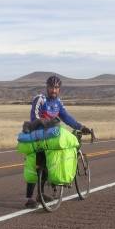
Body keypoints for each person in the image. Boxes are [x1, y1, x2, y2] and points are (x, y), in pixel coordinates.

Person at [25, 75, 91, 208]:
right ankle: (30, 198)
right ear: (47, 87)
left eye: (56, 88)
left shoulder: (58, 103)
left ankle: (41, 193)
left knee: (50, 164)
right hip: (37, 135)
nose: (53, 90)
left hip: (51, 137)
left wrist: (81, 127)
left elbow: (66, 117)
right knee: (36, 165)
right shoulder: (40, 99)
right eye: (51, 87)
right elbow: (34, 117)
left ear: (59, 89)